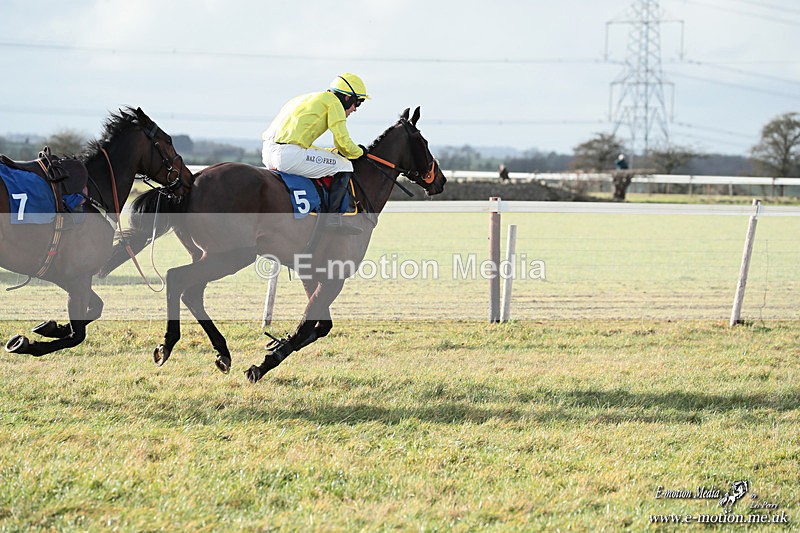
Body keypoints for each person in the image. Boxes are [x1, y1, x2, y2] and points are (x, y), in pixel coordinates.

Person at [262, 73, 369, 234]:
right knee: (345, 165)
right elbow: (343, 143)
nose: (355, 109)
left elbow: (300, 142)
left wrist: (329, 152)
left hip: (268, 152)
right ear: (347, 98)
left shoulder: (307, 98)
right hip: (288, 155)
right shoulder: (334, 103)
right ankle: (332, 220)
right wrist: (360, 152)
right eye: (358, 103)